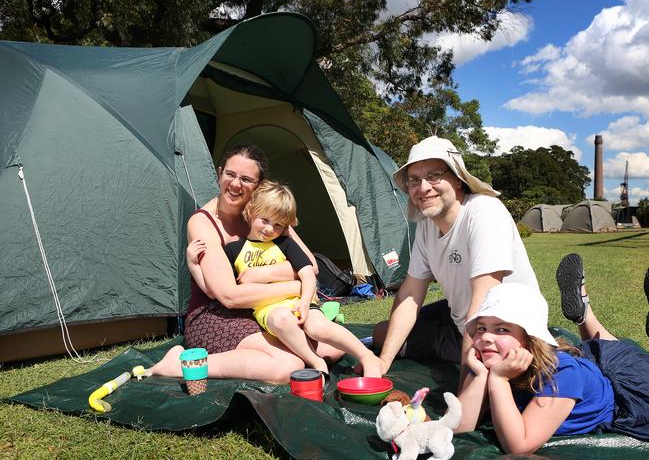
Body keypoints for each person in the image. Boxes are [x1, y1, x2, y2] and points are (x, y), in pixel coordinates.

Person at [145, 144, 343, 384]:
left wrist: (261, 274)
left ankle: (253, 353)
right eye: (230, 174)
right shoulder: (204, 223)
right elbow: (229, 296)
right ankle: (181, 364)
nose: (236, 184)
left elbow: (311, 265)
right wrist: (295, 287)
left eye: (246, 179)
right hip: (215, 315)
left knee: (333, 349)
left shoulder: (267, 214)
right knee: (287, 366)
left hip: (262, 309)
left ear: (258, 185)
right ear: (220, 174)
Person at [372, 136, 538, 381]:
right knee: (382, 334)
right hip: (457, 313)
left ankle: (447, 350)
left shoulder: (484, 213)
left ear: (458, 180)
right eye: (414, 180)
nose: (424, 187)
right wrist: (382, 362)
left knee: (390, 334)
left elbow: (483, 307)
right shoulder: (428, 224)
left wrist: (463, 395)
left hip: (501, 333)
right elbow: (410, 293)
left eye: (434, 175)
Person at [456, 255, 649, 455]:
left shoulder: (561, 374)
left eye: (502, 329)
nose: (486, 337)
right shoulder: (488, 359)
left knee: (632, 363)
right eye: (480, 327)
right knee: (600, 349)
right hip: (591, 366)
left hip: (627, 395)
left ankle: (586, 314)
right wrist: (480, 375)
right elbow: (456, 428)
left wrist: (498, 379)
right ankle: (584, 314)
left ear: (530, 339)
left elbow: (518, 446)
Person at [188, 179, 382, 376]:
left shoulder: (284, 244)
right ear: (251, 212)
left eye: (278, 225)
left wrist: (305, 302)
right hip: (268, 309)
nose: (270, 229)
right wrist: (193, 266)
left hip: (299, 302)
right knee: (280, 319)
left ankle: (367, 356)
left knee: (317, 327)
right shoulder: (234, 250)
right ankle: (315, 362)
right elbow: (213, 290)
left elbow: (308, 272)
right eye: (265, 220)